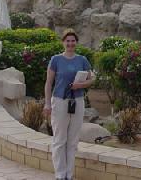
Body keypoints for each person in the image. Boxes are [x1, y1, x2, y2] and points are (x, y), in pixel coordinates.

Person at [43, 29, 93, 180]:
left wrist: (81, 85)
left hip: (77, 102)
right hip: (59, 101)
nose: (70, 43)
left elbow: (92, 80)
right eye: (68, 41)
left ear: (76, 42)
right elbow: (48, 83)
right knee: (59, 140)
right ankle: (60, 174)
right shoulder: (56, 59)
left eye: (73, 41)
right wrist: (47, 104)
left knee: (72, 140)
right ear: (63, 42)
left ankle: (69, 175)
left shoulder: (82, 60)